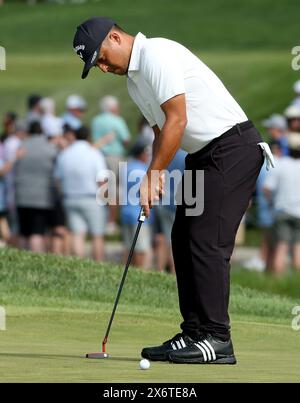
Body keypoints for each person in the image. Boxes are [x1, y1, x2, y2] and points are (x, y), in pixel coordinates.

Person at [73, 17, 270, 365]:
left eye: (101, 58)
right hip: (204, 155)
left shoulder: (156, 54)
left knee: (206, 241)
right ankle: (194, 333)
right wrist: (157, 174)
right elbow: (160, 131)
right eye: (95, 65)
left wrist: (152, 175)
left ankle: (217, 339)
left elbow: (177, 120)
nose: (103, 68)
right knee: (182, 236)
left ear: (115, 37)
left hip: (233, 149)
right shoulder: (135, 82)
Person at [54, 126, 107, 261]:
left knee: (77, 234)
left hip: (70, 197)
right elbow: (102, 180)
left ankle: (81, 264)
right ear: (89, 137)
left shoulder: (65, 154)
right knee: (97, 235)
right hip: (91, 198)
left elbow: (58, 180)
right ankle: (99, 265)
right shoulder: (94, 153)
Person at [15, 121, 58, 253]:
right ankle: (35, 258)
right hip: (42, 196)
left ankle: (22, 260)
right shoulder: (49, 148)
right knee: (37, 232)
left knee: (24, 232)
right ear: (41, 131)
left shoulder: (22, 146)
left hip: (22, 195)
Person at [91, 95, 131, 235]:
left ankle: (101, 220)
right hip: (115, 157)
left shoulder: (96, 120)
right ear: (112, 107)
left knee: (103, 189)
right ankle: (111, 222)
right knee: (115, 190)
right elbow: (126, 139)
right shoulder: (117, 120)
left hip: (100, 157)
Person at [263, 133, 300, 275]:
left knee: (281, 246)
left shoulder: (281, 164)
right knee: (298, 247)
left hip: (282, 210)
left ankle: (278, 281)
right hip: (299, 212)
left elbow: (267, 189)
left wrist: (271, 203)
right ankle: (296, 283)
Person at [120, 137, 153, 269]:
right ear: (141, 153)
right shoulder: (144, 170)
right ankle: (141, 274)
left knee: (128, 248)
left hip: (126, 212)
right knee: (142, 250)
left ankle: (126, 273)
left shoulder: (126, 167)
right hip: (139, 214)